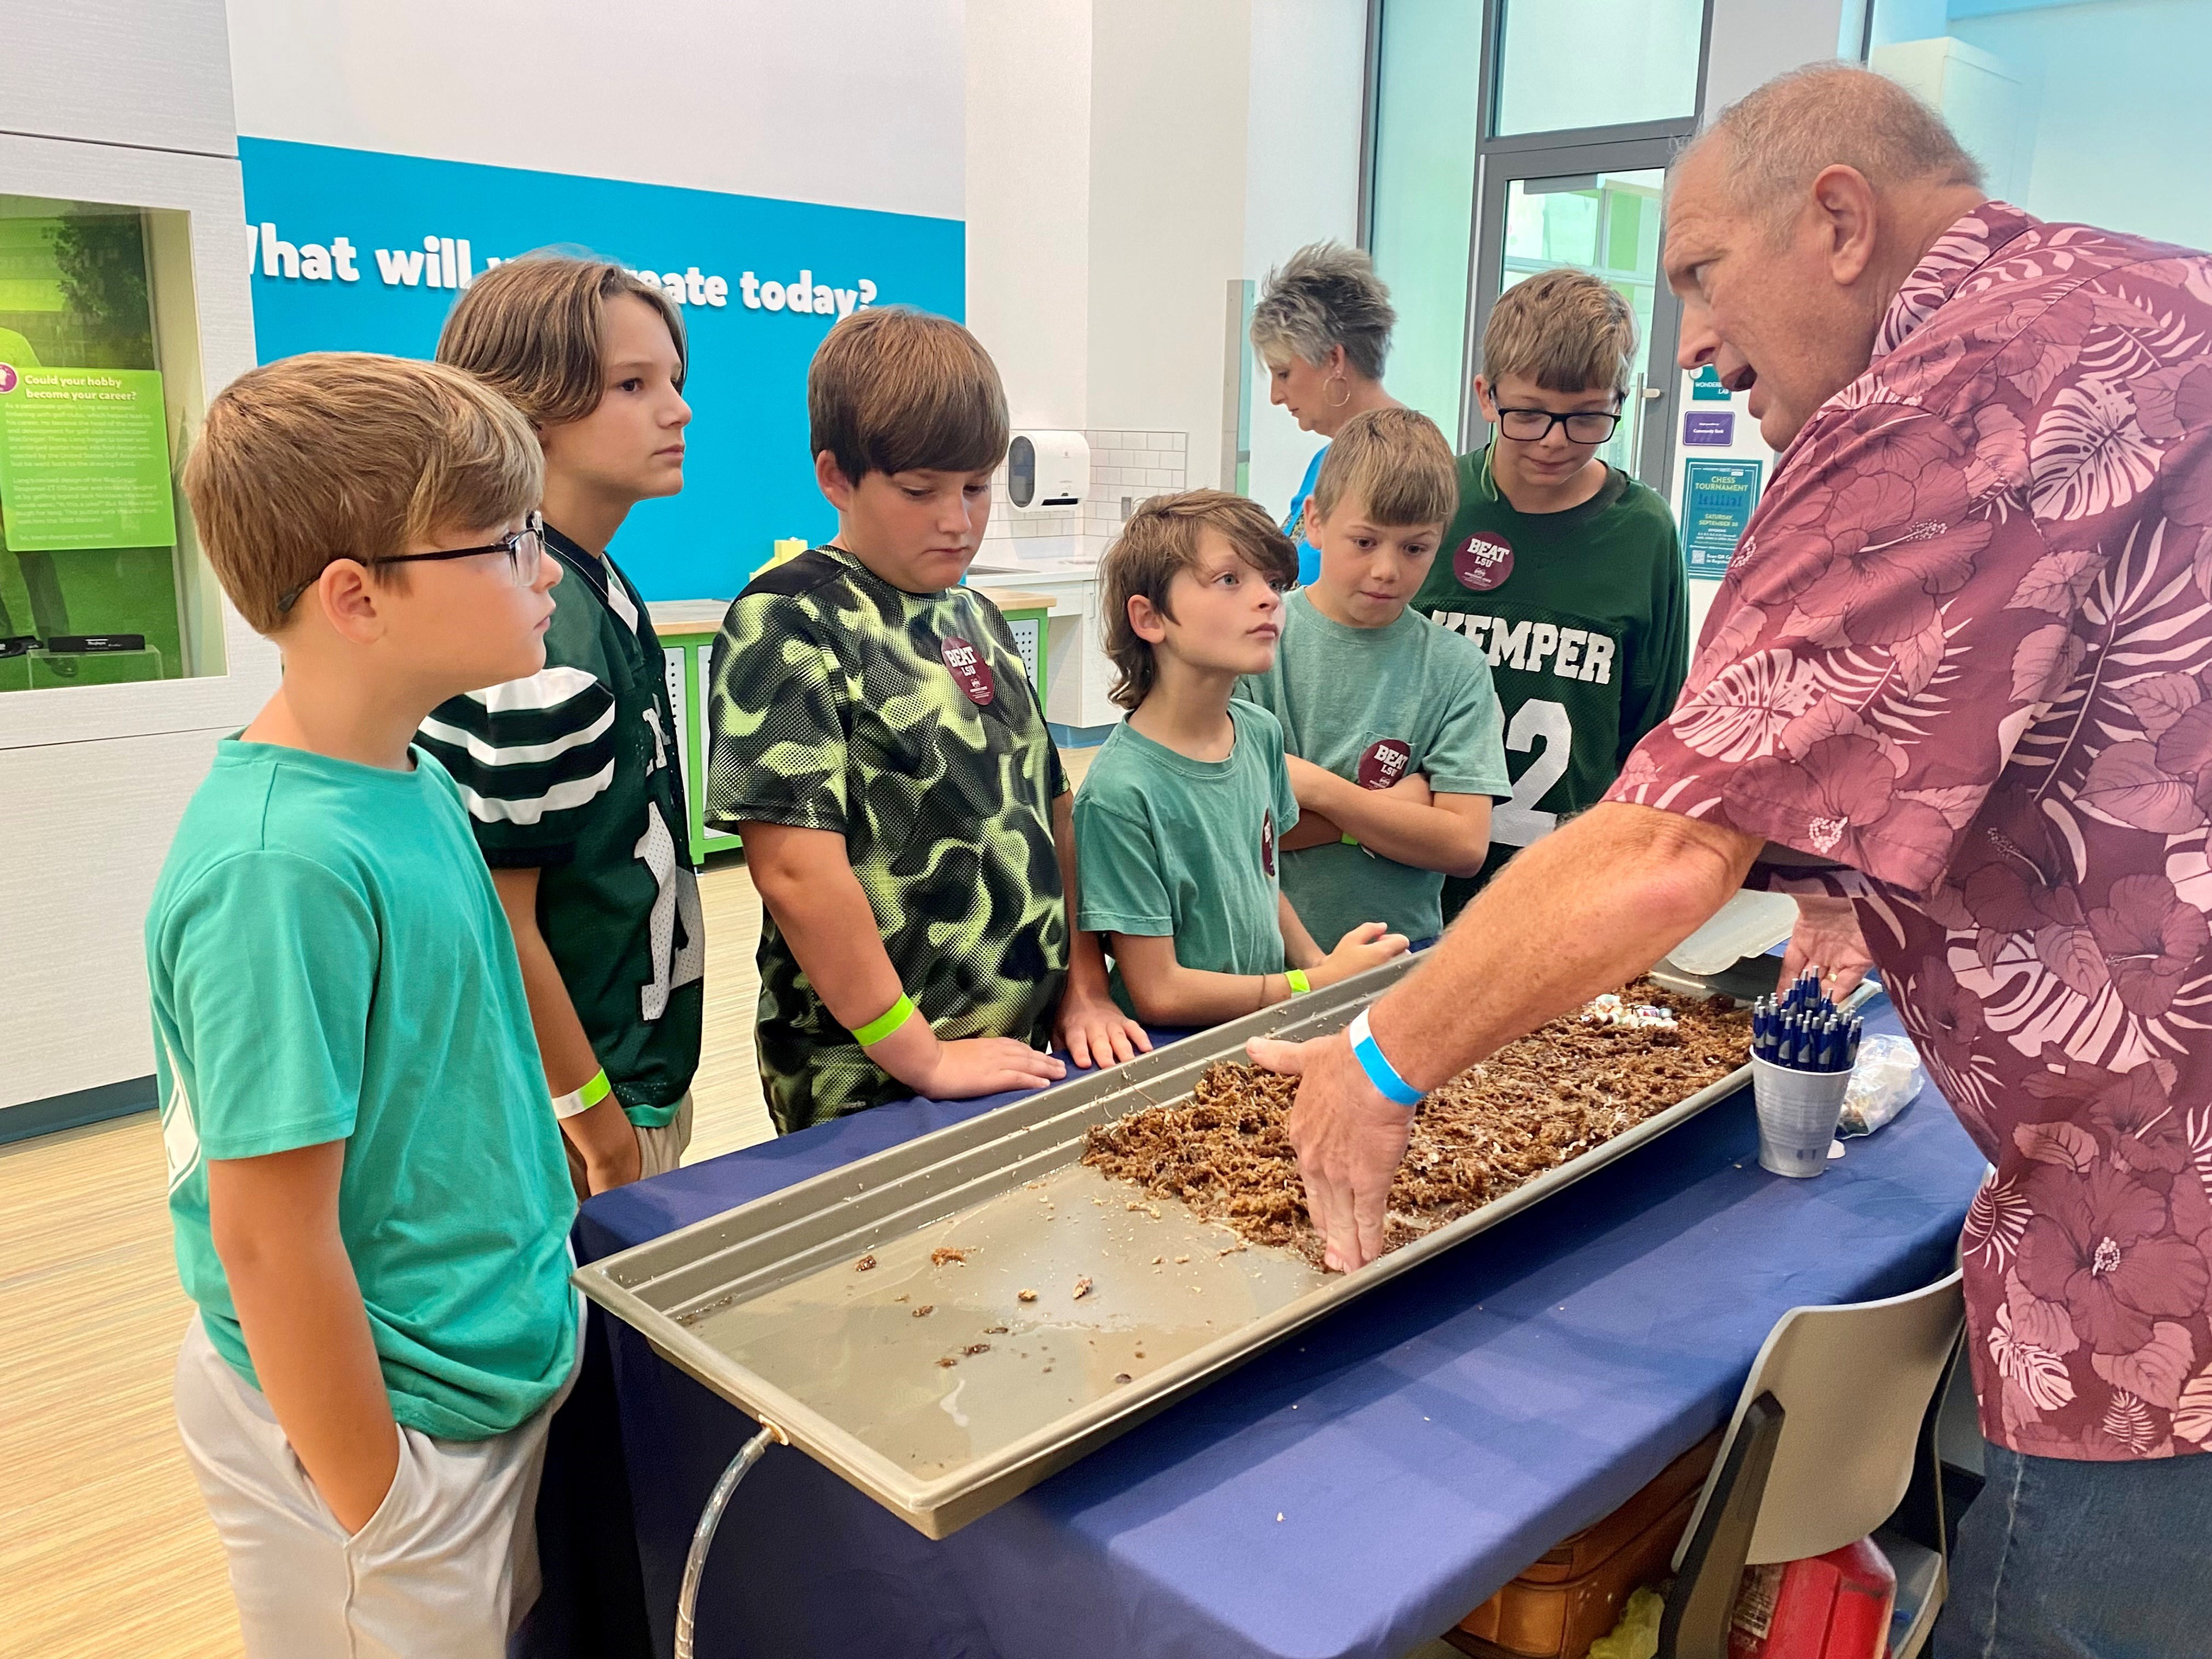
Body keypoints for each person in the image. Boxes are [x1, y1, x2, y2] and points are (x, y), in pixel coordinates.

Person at [1249, 64, 2212, 1657]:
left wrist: (1381, 1061)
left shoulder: (1947, 397)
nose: (1686, 338)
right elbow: (2090, 705)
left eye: (1699, 272)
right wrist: (1856, 880)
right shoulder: (2148, 303)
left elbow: (1664, 851)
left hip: (2163, 1260)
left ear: (1839, 221)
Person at [155, 353, 578, 1656]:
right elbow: (270, 1240)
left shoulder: (413, 781)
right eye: (508, 544)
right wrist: (378, 1502)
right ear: (355, 594)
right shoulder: (279, 866)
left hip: (474, 1375)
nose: (546, 570)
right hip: (382, 1441)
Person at [705, 306, 1144, 1134]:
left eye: (976, 488)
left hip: (1016, 1046)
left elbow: (1051, 809)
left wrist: (1085, 987)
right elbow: (796, 874)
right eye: (920, 492)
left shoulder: (973, 613)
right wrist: (921, 1055)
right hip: (871, 1074)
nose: (959, 520)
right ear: (837, 478)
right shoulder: (790, 619)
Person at [417, 255, 702, 1194]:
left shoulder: (594, 580)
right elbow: (500, 917)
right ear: (525, 409)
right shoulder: (534, 627)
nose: (677, 411)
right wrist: (593, 1119)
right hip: (576, 1114)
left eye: (672, 380)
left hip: (634, 1069)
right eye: (632, 385)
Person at [1414, 268, 1688, 921]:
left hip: (1563, 894)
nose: (1555, 441)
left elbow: (1656, 735)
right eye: (1529, 414)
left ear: (1622, 398)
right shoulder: (1431, 500)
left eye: (1589, 416)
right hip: (1410, 884)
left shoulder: (1644, 532)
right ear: (1486, 395)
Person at [1075, 490, 1410, 1024]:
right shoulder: (1120, 793)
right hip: (1171, 1056)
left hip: (1259, 1027)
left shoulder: (1259, 733)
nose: (1270, 600)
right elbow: (1160, 992)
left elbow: (1263, 877)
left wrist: (1320, 968)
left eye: (1275, 583)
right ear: (1150, 617)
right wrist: (1313, 982)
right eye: (1230, 580)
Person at [1239, 407, 1509, 949]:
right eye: (1365, 542)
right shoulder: (1254, 641)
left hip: (1400, 960)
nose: (1387, 569)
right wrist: (1398, 812)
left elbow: (1463, 845)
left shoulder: (1455, 667)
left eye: (1415, 548)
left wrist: (1323, 792)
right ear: (1314, 521)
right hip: (1262, 963)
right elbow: (1238, 831)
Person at [1249, 242, 1404, 586]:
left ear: (1334, 360)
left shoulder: (1405, 462)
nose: (1276, 397)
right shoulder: (1328, 457)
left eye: (1284, 373)